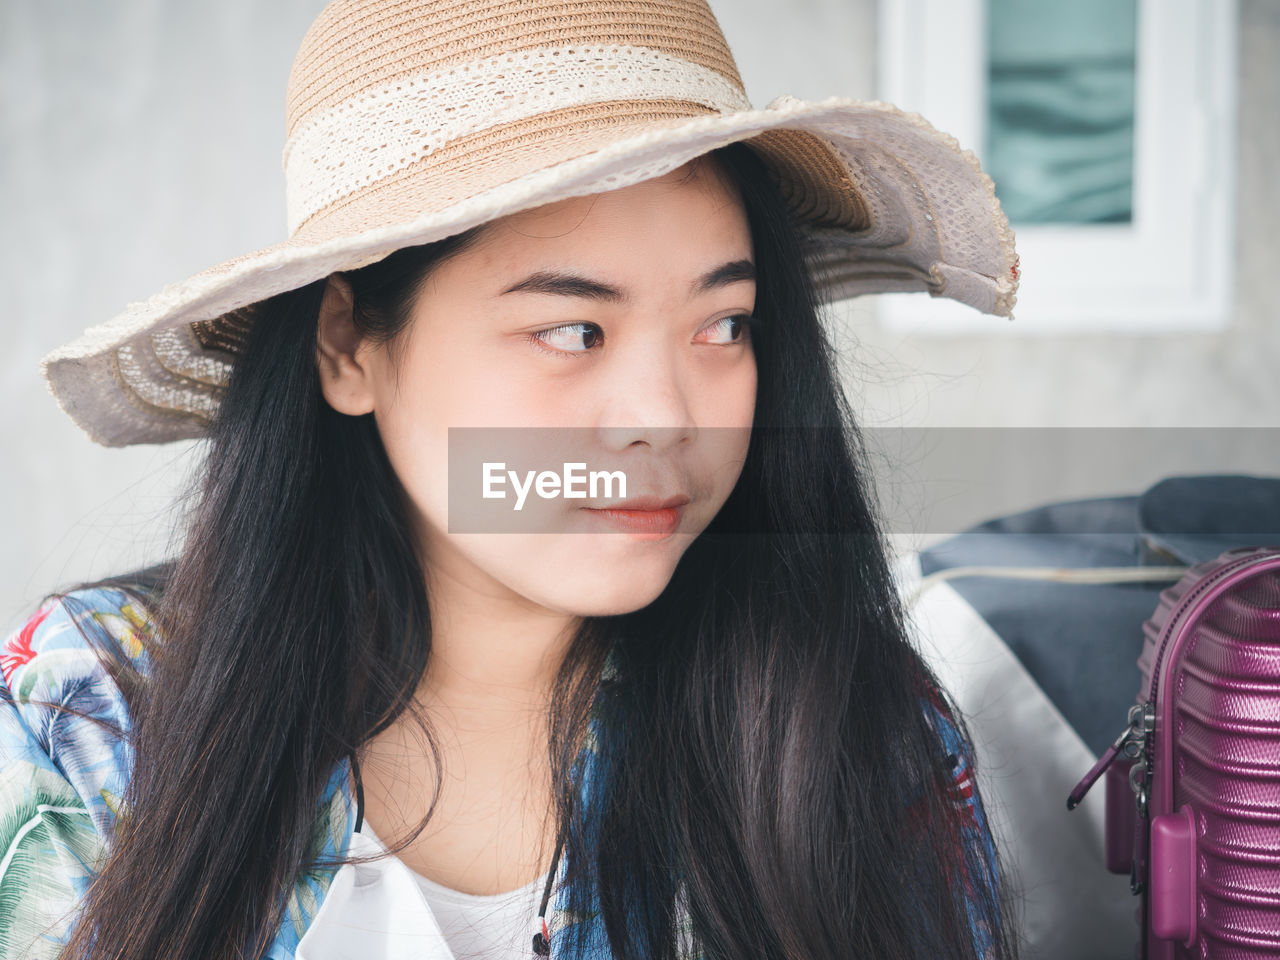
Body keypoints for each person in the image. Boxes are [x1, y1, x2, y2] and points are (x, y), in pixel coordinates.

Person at [3, 1, 1022, 958]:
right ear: (349, 345)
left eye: (723, 325)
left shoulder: (845, 731)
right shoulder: (94, 720)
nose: (665, 417)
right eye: (573, 331)